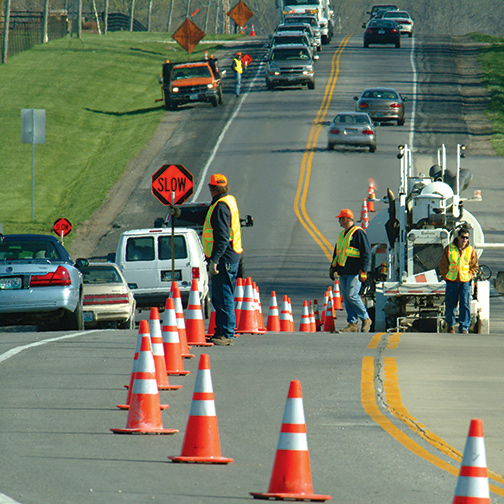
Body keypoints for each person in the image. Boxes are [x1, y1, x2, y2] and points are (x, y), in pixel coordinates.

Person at [168, 174, 243, 346]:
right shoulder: (225, 201)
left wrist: (214, 260)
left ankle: (227, 334)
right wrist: (180, 213)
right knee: (222, 297)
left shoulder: (221, 206)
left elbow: (223, 238)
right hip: (230, 257)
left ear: (213, 188)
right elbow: (205, 215)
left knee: (223, 297)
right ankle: (222, 331)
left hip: (224, 259)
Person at [329, 209, 372, 332]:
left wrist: (363, 270)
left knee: (352, 296)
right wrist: (332, 268)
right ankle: (352, 324)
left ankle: (366, 318)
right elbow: (337, 253)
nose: (339, 221)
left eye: (340, 219)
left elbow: (366, 253)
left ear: (346, 219)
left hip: (354, 272)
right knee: (347, 298)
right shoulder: (342, 234)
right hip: (343, 272)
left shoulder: (358, 233)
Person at [438, 227, 479, 334]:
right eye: (463, 237)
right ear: (458, 237)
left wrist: (470, 275)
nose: (465, 240)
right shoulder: (449, 249)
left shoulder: (471, 250)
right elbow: (443, 264)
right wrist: (445, 276)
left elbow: (474, 266)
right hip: (452, 281)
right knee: (451, 305)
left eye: (467, 238)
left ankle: (464, 327)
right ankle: (450, 325)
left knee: (465, 304)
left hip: (465, 281)